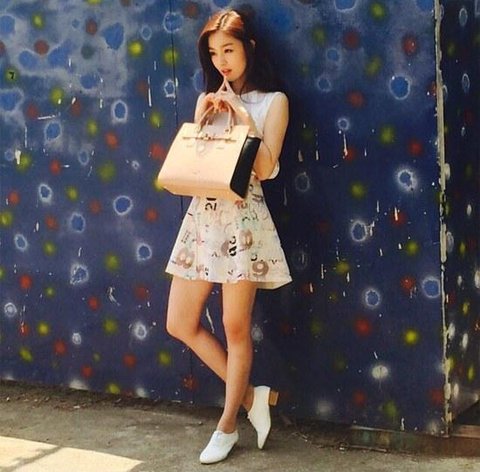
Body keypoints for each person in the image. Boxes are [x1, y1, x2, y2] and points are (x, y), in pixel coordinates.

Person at [165, 8, 291, 465]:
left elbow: (267, 169)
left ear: (249, 49)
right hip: (203, 221)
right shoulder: (208, 97)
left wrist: (242, 118)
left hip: (244, 225)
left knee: (235, 327)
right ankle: (253, 397)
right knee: (180, 322)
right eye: (214, 53)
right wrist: (203, 118)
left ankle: (227, 426)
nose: (222, 61)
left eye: (229, 50)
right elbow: (197, 165)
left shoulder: (273, 101)